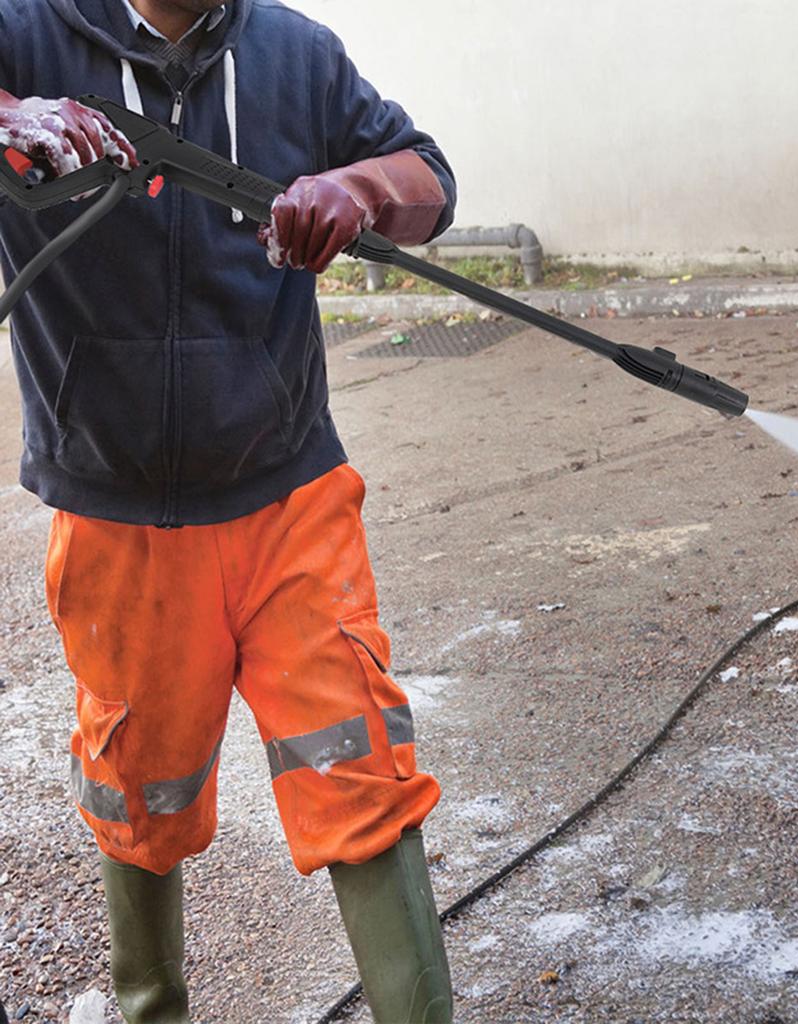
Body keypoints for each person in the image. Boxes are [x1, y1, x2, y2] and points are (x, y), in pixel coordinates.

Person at [0, 0, 457, 1020]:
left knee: (362, 770)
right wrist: (11, 116)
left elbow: (430, 184)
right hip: (117, 516)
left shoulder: (297, 55)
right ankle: (148, 1003)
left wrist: (359, 187)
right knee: (138, 790)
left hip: (289, 496)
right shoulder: (24, 33)